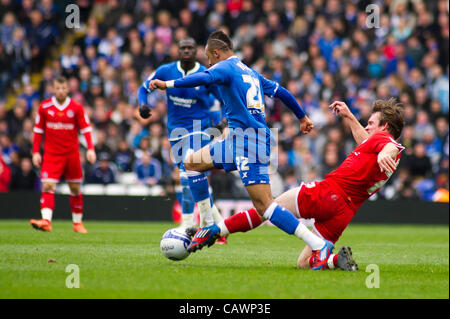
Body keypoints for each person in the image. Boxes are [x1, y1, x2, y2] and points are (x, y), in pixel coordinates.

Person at [150, 30, 334, 270]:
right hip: (236, 139)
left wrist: (168, 84)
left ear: (216, 53)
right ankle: (206, 222)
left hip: (250, 142)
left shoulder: (224, 67)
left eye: (208, 58)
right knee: (192, 163)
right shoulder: (250, 71)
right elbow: (282, 92)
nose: (208, 63)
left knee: (265, 206)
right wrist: (302, 117)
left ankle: (318, 245)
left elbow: (203, 79)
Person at [200, 98, 405, 271]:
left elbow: (389, 147)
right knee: (304, 263)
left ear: (385, 126)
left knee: (265, 208)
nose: (367, 126)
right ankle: (336, 260)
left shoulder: (385, 142)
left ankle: (216, 231)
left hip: (328, 194)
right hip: (345, 211)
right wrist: (350, 117)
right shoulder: (375, 144)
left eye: (370, 122)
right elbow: (367, 142)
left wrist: (384, 155)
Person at [138, 37, 227, 238]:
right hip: (175, 131)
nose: (186, 51)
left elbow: (224, 99)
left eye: (190, 48)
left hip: (200, 129)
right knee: (192, 177)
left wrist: (223, 121)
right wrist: (142, 104)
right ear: (177, 51)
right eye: (183, 48)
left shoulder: (206, 74)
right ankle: (218, 225)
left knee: (188, 171)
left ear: (196, 51)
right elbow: (143, 88)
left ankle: (188, 224)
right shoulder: (165, 71)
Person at [30, 76, 96, 233]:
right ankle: (46, 220)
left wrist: (91, 148)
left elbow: (86, 128)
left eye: (63, 88)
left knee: (74, 188)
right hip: (52, 154)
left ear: (68, 89)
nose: (60, 91)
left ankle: (77, 223)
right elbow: (38, 130)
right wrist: (35, 152)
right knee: (47, 185)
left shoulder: (76, 107)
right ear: (53, 89)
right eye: (57, 88)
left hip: (71, 154)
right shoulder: (44, 107)